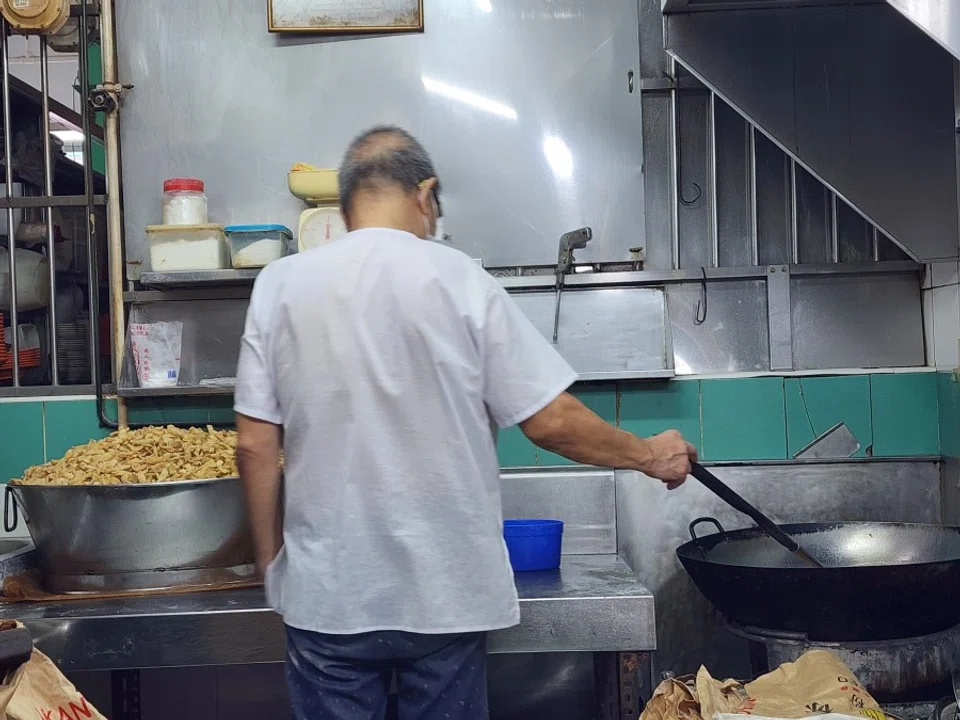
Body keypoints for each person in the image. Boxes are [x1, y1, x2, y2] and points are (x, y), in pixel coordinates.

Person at [234, 125, 698, 720]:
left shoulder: (280, 285)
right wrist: (649, 454)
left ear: (348, 202)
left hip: (329, 597)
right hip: (444, 596)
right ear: (425, 195)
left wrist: (273, 563)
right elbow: (551, 420)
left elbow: (252, 445)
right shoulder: (461, 280)